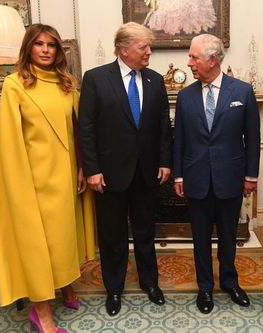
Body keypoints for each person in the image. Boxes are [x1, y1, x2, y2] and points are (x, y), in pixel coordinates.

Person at [0, 24, 96, 333]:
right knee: (39, 244)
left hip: (63, 176)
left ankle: (66, 286)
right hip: (32, 179)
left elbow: (79, 131)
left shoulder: (67, 85)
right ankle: (42, 315)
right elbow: (8, 141)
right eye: (39, 43)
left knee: (64, 238)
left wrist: (81, 167)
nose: (46, 49)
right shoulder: (15, 85)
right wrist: (17, 184)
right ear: (28, 48)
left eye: (52, 44)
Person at [78, 22, 172, 317]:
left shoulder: (156, 81)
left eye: (149, 46)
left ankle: (150, 283)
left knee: (146, 232)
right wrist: (92, 169)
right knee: (112, 235)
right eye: (144, 47)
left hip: (146, 173)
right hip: (109, 174)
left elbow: (163, 129)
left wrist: (165, 161)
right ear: (124, 49)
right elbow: (87, 129)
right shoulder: (95, 79)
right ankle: (114, 288)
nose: (149, 52)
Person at [173, 34, 260, 314]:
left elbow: (254, 138)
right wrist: (178, 176)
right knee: (199, 238)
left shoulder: (242, 92)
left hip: (231, 178)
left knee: (227, 236)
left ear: (212, 60)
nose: (189, 63)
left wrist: (251, 176)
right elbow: (180, 140)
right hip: (196, 178)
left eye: (193, 57)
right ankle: (205, 288)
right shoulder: (185, 96)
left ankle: (230, 282)